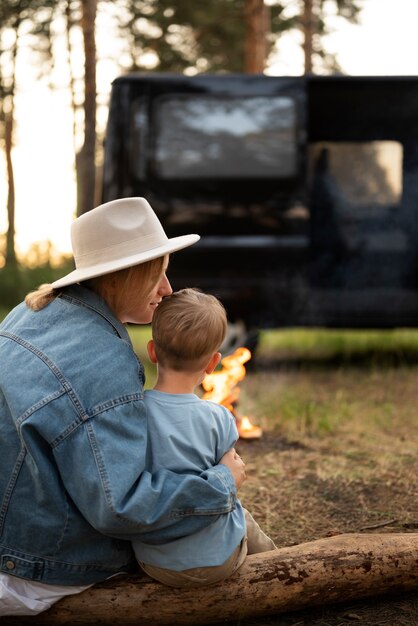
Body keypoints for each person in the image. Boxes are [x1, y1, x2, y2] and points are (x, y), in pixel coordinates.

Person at [0, 197, 246, 616]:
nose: (167, 290)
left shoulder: (27, 314)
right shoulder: (102, 360)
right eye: (159, 275)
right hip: (40, 569)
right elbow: (122, 507)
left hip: (15, 537)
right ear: (126, 276)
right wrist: (223, 482)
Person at [133, 288, 276, 588]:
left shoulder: (134, 413)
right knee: (240, 511)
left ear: (152, 351)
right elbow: (228, 483)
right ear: (212, 364)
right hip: (219, 562)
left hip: (154, 562)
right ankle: (279, 563)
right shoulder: (220, 418)